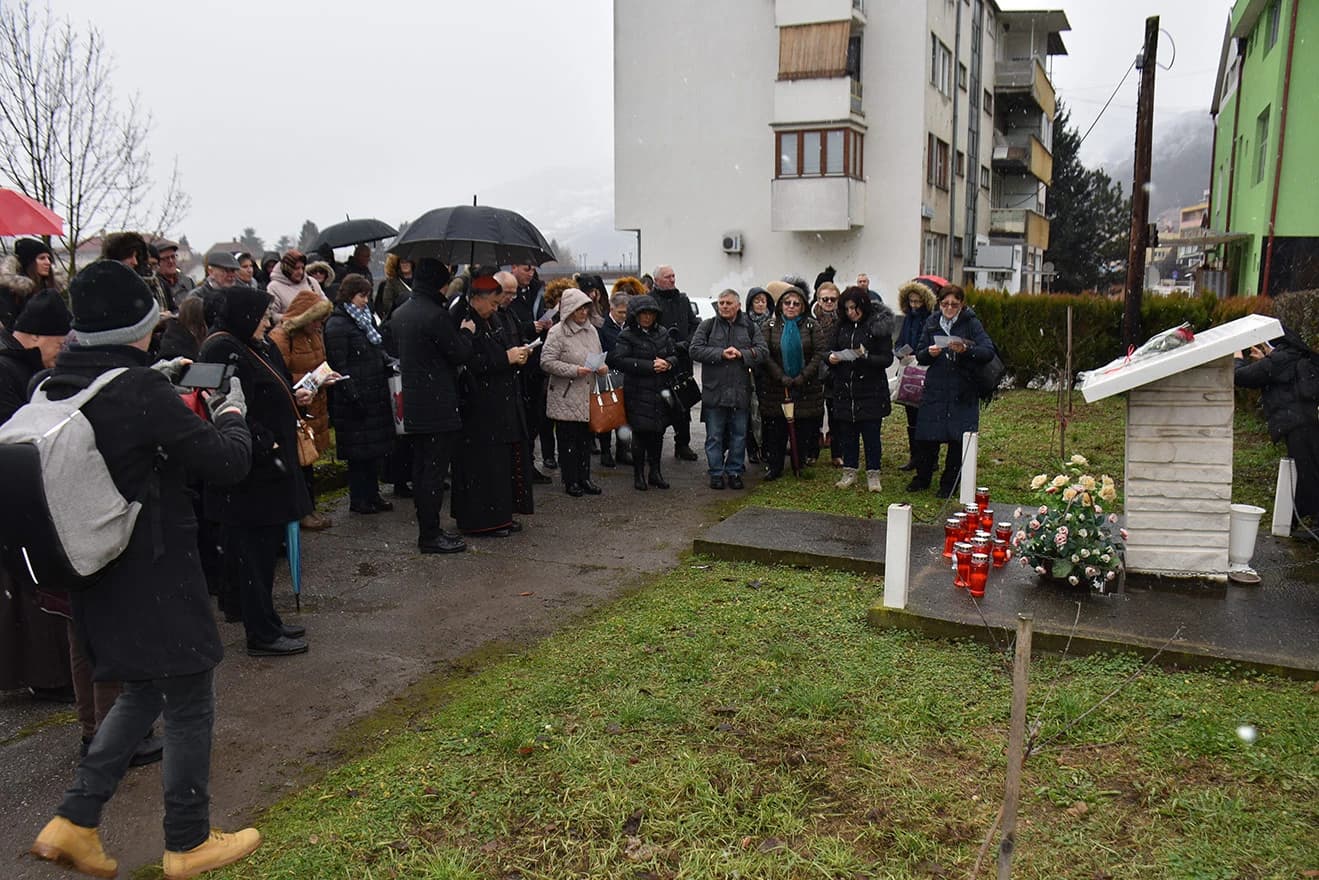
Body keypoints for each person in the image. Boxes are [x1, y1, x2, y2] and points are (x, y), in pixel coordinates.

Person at [27, 260, 261, 880]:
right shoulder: (140, 391)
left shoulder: (56, 385)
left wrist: (158, 376)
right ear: (140, 323)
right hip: (155, 569)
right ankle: (188, 842)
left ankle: (74, 820)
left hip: (94, 567)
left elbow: (114, 423)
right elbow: (224, 463)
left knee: (141, 690)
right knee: (190, 700)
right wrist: (232, 413)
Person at [198, 286, 314, 656]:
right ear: (245, 315)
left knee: (261, 556)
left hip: (265, 470)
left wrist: (294, 397)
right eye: (263, 314)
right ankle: (260, 633)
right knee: (251, 555)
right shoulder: (219, 348)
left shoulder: (254, 344)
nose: (269, 321)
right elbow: (219, 404)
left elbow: (265, 391)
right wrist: (268, 444)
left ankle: (267, 620)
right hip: (250, 473)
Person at [0, 290, 74, 702]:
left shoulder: (20, 367)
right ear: (31, 337)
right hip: (16, 490)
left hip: (27, 486)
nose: (61, 353)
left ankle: (52, 672)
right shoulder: (6, 371)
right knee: (27, 591)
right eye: (58, 344)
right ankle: (44, 675)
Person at [390, 258, 471, 554]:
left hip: (414, 403)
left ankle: (428, 529)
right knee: (433, 474)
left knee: (423, 470)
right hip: (439, 405)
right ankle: (430, 534)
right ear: (440, 283)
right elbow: (459, 353)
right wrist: (466, 330)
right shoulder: (435, 316)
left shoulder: (402, 312)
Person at [452, 273, 533, 537]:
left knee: (500, 464)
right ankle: (483, 520)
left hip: (498, 402)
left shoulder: (491, 320)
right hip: (478, 406)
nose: (496, 309)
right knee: (482, 467)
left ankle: (501, 515)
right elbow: (470, 362)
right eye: (493, 303)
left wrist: (517, 355)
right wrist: (504, 358)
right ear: (476, 299)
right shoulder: (463, 320)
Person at [1234, 291, 1319, 527]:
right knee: (1308, 470)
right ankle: (1301, 519)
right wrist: (1266, 359)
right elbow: (1276, 372)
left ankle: (1304, 522)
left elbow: (1241, 376)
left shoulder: (1278, 361)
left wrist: (1237, 357)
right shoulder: (1291, 356)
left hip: (1297, 424)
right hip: (1307, 420)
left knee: (1306, 474)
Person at [911, 284, 994, 498]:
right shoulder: (931, 322)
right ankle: (923, 477)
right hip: (936, 387)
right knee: (928, 437)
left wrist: (966, 349)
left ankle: (949, 484)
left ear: (961, 304)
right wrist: (930, 352)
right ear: (939, 304)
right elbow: (920, 354)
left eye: (954, 304)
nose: (949, 308)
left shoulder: (971, 323)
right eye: (945, 304)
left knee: (958, 439)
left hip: (962, 388)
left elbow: (987, 351)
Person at [324, 274, 396, 514]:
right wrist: (352, 395)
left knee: (372, 451)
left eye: (367, 295)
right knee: (359, 455)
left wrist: (388, 362)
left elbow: (376, 350)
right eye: (361, 295)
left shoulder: (364, 320)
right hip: (354, 397)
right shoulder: (337, 325)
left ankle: (372, 495)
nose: (365, 300)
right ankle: (359, 498)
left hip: (372, 390)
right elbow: (339, 365)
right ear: (349, 295)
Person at [269, 288, 335, 530]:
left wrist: (323, 377)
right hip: (296, 406)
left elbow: (318, 363)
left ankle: (310, 508)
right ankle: (302, 511)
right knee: (299, 463)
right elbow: (280, 375)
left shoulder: (312, 334)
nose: (319, 324)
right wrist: (312, 380)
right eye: (316, 318)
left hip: (313, 404)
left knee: (309, 461)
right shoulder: (282, 338)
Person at [690, 288, 766, 489]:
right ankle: (715, 472)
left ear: (738, 306)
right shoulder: (707, 326)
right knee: (714, 436)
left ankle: (734, 471)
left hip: (741, 391)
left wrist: (742, 354)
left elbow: (762, 351)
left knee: (739, 435)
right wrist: (720, 354)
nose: (724, 306)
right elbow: (694, 350)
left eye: (728, 303)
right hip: (714, 391)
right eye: (721, 303)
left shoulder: (749, 327)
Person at [541, 288, 609, 496]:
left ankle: (585, 477)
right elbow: (546, 362)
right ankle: (570, 481)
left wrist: (602, 367)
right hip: (566, 393)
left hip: (587, 392)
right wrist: (574, 370)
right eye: (579, 309)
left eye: (586, 308)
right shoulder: (557, 332)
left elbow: (598, 355)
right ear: (570, 309)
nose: (583, 313)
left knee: (585, 440)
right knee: (568, 441)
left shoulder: (592, 331)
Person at [827, 286, 895, 492]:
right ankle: (849, 472)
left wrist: (866, 357)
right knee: (848, 435)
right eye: (847, 309)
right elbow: (828, 350)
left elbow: (887, 358)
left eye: (854, 308)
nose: (851, 313)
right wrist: (831, 358)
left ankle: (873, 474)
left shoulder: (876, 327)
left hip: (870, 390)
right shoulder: (841, 327)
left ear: (863, 306)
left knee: (871, 435)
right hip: (845, 389)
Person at [607, 294, 678, 491]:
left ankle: (655, 472)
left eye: (651, 314)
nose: (647, 318)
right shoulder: (627, 335)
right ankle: (638, 474)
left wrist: (668, 363)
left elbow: (674, 354)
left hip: (659, 389)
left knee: (658, 433)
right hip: (637, 390)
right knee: (639, 434)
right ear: (635, 315)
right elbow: (619, 360)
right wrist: (649, 366)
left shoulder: (662, 332)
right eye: (643, 314)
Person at [758, 285, 827, 481]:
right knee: (776, 431)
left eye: (796, 304)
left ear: (803, 307)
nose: (791, 306)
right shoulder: (769, 327)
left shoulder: (812, 326)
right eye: (787, 303)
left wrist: (803, 376)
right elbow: (765, 355)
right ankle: (775, 467)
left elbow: (819, 353)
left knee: (803, 428)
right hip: (776, 387)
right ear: (780, 306)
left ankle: (800, 463)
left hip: (806, 387)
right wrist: (781, 376)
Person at [650, 264, 699, 460]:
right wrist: (667, 347)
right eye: (667, 277)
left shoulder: (682, 300)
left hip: (682, 360)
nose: (672, 279)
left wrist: (687, 343)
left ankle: (683, 444)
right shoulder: (650, 301)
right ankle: (653, 447)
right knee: (659, 405)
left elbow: (694, 324)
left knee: (683, 404)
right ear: (657, 280)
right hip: (660, 360)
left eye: (673, 276)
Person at [895, 278, 936, 471]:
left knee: (925, 417)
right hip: (907, 368)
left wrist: (920, 353)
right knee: (910, 415)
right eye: (911, 302)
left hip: (924, 370)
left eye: (917, 302)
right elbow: (900, 341)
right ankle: (914, 457)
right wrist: (899, 351)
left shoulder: (931, 319)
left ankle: (929, 459)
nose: (914, 305)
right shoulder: (907, 319)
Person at [597, 291, 631, 467]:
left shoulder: (630, 326)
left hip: (627, 375)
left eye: (626, 312)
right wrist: (618, 356)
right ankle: (605, 451)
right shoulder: (602, 327)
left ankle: (623, 450)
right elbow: (600, 352)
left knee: (624, 416)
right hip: (608, 375)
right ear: (612, 309)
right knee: (608, 414)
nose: (623, 316)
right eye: (620, 312)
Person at [1, 238, 60, 328]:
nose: (48, 262)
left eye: (49, 258)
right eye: (42, 258)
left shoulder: (49, 288)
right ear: (29, 262)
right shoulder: (10, 291)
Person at [266, 250, 327, 315]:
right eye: (296, 268)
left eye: (302, 268)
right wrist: (295, 319)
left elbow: (325, 303)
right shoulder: (274, 287)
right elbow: (271, 315)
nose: (300, 272)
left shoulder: (311, 282)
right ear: (287, 268)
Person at [154, 239, 195, 311]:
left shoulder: (188, 282)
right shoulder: (156, 287)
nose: (171, 261)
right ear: (157, 263)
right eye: (166, 258)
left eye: (173, 257)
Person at [373, 253, 413, 320]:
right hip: (399, 319)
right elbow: (386, 304)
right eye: (402, 262)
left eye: (408, 261)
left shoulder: (419, 281)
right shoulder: (391, 283)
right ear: (398, 264)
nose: (405, 264)